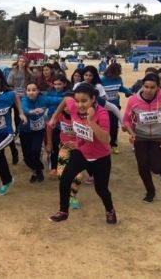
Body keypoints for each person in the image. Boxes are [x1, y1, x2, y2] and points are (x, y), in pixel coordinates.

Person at [49, 83, 117, 224]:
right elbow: (66, 99)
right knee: (65, 178)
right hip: (81, 153)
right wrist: (55, 116)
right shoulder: (73, 105)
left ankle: (110, 210)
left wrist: (91, 121)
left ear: (93, 99)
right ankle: (63, 211)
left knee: (101, 189)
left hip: (100, 157)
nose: (79, 105)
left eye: (84, 101)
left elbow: (106, 139)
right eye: (77, 100)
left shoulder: (102, 113)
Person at [123, 73, 161, 203]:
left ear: (158, 87)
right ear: (142, 85)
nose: (148, 90)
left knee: (156, 167)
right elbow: (126, 120)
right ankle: (150, 191)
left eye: (152, 87)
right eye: (146, 86)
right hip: (140, 137)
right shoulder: (133, 100)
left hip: (159, 137)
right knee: (143, 166)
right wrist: (131, 132)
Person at [18, 82, 62, 183]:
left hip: (38, 131)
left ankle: (37, 171)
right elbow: (24, 109)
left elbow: (59, 100)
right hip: (25, 131)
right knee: (27, 157)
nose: (31, 92)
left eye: (34, 90)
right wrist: (31, 111)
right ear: (26, 92)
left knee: (35, 152)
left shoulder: (44, 99)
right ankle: (37, 168)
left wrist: (69, 98)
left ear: (38, 91)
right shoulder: (24, 100)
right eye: (28, 90)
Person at [46, 93, 82, 209]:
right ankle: (67, 194)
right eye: (64, 105)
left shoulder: (79, 116)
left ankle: (73, 196)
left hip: (79, 149)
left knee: (78, 176)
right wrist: (50, 143)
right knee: (62, 175)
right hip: (64, 148)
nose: (67, 107)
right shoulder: (59, 115)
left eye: (69, 105)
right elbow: (49, 126)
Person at [101, 63, 132, 154]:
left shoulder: (118, 79)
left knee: (114, 126)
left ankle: (114, 144)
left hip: (116, 106)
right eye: (117, 72)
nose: (118, 74)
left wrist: (128, 92)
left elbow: (121, 88)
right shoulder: (102, 80)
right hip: (104, 107)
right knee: (105, 127)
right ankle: (103, 144)